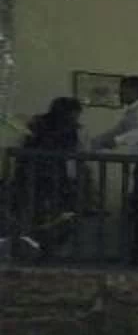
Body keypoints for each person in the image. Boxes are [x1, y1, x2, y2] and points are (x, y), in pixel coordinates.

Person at [88, 75, 138, 263]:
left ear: (137, 91)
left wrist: (116, 141)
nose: (120, 93)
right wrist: (93, 144)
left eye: (125, 89)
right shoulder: (131, 113)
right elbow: (116, 132)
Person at [8, 97, 82, 256]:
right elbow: (70, 157)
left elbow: (22, 146)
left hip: (30, 177)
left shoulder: (36, 124)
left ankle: (28, 251)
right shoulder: (68, 130)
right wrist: (73, 180)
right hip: (52, 179)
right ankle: (45, 251)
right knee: (57, 217)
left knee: (31, 216)